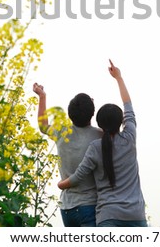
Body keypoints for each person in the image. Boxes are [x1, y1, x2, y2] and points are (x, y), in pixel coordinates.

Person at [57, 60, 147, 227]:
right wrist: (119, 78)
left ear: (99, 124)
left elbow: (79, 175)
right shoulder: (129, 138)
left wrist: (61, 184)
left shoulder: (95, 146)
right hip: (136, 215)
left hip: (107, 216)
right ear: (122, 122)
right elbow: (128, 106)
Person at [33, 83, 102, 227]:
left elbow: (43, 125)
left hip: (66, 208)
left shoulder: (61, 131)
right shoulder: (99, 135)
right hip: (89, 206)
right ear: (92, 113)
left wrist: (42, 96)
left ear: (70, 113)